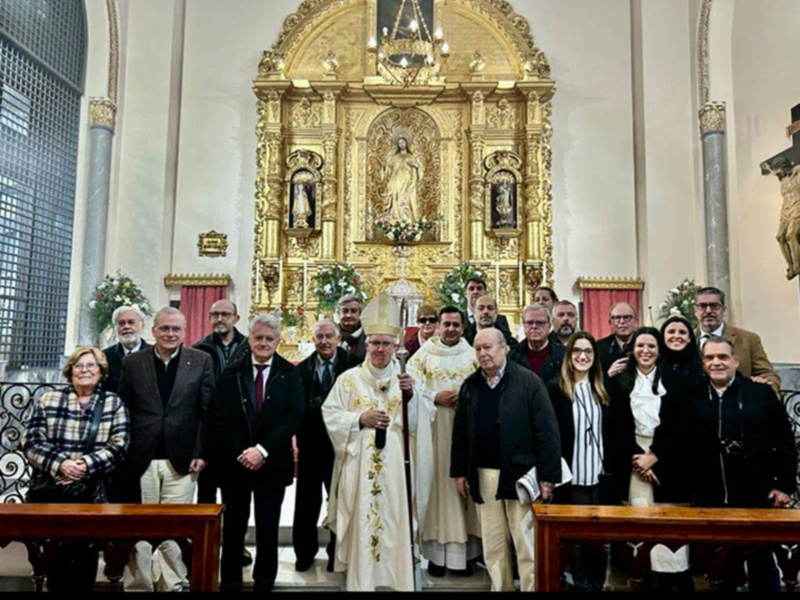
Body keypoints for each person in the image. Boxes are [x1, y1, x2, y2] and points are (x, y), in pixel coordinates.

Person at [322, 292, 435, 591]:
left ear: (397, 346)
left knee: (396, 519)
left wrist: (411, 398)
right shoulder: (348, 380)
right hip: (359, 466)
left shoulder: (408, 378)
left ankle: (397, 580)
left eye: (386, 344)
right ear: (366, 345)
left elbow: (423, 422)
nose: (380, 349)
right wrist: (359, 419)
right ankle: (363, 582)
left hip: (398, 466)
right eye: (375, 343)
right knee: (363, 520)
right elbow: (330, 414)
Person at [451, 328, 562, 592]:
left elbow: (547, 432)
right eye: (478, 349)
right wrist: (460, 472)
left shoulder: (529, 382)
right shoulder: (470, 385)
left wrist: (548, 476)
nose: (483, 353)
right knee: (493, 544)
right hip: (484, 474)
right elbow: (461, 433)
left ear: (504, 348)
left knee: (526, 543)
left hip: (520, 474)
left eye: (488, 347)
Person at [118, 307, 214, 592]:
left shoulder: (200, 361)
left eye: (175, 329)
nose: (170, 334)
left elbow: (206, 411)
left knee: (175, 525)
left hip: (183, 458)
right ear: (153, 330)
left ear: (184, 332)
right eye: (164, 328)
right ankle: (139, 584)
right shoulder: (133, 363)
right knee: (140, 524)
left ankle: (174, 583)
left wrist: (202, 452)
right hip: (142, 455)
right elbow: (124, 407)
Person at [691, 336, 797, 592]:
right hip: (711, 495)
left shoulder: (759, 393)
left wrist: (784, 485)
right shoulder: (692, 394)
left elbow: (784, 441)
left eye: (723, 357)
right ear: (703, 363)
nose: (716, 362)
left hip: (755, 494)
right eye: (709, 357)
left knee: (762, 564)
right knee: (723, 567)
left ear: (736, 361)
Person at [23, 347, 130, 592]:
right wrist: (61, 464)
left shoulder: (113, 403)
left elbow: (120, 445)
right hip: (53, 488)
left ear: (101, 372)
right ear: (70, 371)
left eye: (91, 365)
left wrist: (84, 466)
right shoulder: (49, 400)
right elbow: (31, 441)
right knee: (54, 553)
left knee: (86, 552)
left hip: (90, 489)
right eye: (79, 366)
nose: (84, 371)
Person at [213, 314, 304, 592]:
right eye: (258, 337)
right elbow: (221, 417)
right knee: (233, 529)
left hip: (272, 463)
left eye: (269, 338)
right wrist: (244, 451)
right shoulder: (232, 372)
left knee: (267, 529)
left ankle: (264, 584)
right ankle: (229, 584)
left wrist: (262, 450)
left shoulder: (290, 373)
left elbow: (294, 416)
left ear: (278, 341)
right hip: (236, 464)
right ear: (250, 339)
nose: (263, 343)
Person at [608, 327, 693, 592]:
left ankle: (672, 582)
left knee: (669, 532)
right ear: (632, 350)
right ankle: (638, 578)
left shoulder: (676, 381)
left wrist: (654, 456)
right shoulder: (620, 382)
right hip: (631, 458)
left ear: (659, 350)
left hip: (667, 460)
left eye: (652, 346)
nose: (646, 351)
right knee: (638, 528)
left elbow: (682, 425)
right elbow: (616, 427)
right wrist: (638, 460)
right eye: (640, 346)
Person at [407, 306, 481, 578]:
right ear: (437, 326)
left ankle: (465, 557)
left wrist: (467, 400)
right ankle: (436, 557)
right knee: (437, 490)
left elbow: (485, 387)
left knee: (466, 494)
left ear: (463, 327)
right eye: (446, 324)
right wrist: (433, 396)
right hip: (434, 434)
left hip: (467, 434)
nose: (450, 329)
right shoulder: (421, 357)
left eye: (455, 324)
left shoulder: (474, 355)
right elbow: (411, 389)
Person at [546, 332, 612, 593]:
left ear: (595, 357)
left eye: (588, 351)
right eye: (577, 351)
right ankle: (580, 584)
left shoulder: (605, 387)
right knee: (573, 538)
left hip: (599, 476)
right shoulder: (555, 388)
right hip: (570, 476)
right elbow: (549, 435)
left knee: (599, 538)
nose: (582, 356)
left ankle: (597, 584)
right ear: (569, 356)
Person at [294, 319, 358, 573]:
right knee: (306, 502)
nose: (324, 341)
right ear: (313, 339)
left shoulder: (353, 365)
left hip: (341, 445)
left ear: (338, 338)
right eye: (319, 337)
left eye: (329, 336)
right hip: (310, 444)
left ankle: (337, 553)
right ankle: (304, 552)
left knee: (340, 500)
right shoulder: (302, 369)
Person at [194, 298, 251, 540]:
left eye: (225, 314)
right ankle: (205, 544)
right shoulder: (199, 349)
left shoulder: (250, 347)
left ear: (236, 318)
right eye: (215, 314)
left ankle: (236, 545)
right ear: (209, 319)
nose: (220, 319)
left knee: (237, 497)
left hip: (239, 432)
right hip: (209, 432)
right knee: (206, 494)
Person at [694, 286, 780, 393]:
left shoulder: (748, 339)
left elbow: (768, 374)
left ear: (723, 309)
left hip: (739, 403)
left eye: (714, 306)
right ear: (695, 310)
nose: (708, 311)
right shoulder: (687, 340)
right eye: (702, 306)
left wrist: (764, 388)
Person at [510, 304, 565, 383]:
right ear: (524, 326)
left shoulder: (563, 355)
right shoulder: (512, 356)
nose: (534, 326)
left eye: (540, 323)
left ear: (549, 326)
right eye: (529, 322)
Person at [103, 304, 150, 395]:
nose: (126, 327)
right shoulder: (104, 357)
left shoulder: (155, 355)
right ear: (115, 328)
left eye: (131, 322)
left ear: (142, 324)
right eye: (121, 323)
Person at [384, 136, 423, 223]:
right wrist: (385, 166)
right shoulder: (395, 157)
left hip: (407, 180)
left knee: (405, 198)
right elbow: (388, 169)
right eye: (400, 143)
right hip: (396, 180)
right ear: (398, 145)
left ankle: (406, 219)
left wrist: (416, 166)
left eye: (403, 143)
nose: (401, 144)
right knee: (396, 198)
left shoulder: (411, 157)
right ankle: (397, 219)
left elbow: (417, 169)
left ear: (406, 144)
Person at [598, 302, 639, 378]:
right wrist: (608, 374)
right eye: (617, 318)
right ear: (610, 323)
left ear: (636, 321)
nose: (622, 322)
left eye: (627, 317)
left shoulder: (644, 344)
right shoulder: (600, 346)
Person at [659, 315, 704, 384]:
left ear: (689, 338)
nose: (677, 336)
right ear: (663, 337)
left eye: (682, 332)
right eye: (671, 332)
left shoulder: (701, 367)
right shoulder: (653, 366)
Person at [337, 293, 367, 364]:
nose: (349, 315)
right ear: (338, 313)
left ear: (359, 313)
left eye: (353, 311)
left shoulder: (369, 337)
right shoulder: (329, 335)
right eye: (345, 311)